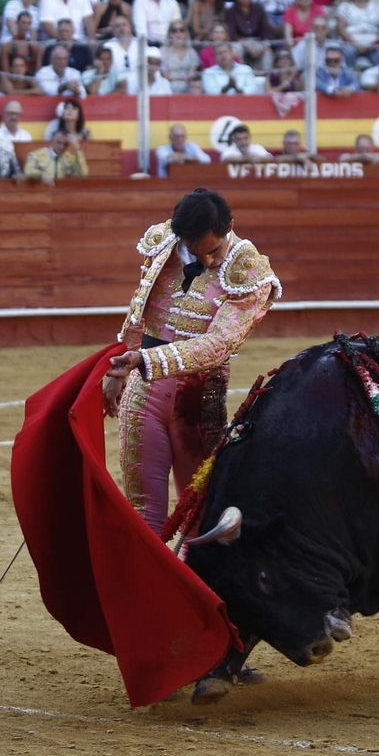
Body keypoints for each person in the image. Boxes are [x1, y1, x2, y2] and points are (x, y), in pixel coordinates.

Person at [102, 189, 280, 532]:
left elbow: (219, 344)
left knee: (200, 516)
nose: (209, 261)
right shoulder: (162, 244)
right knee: (142, 515)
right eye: (199, 252)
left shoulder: (249, 270)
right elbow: (139, 312)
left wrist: (141, 359)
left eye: (214, 250)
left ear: (229, 226)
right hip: (142, 394)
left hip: (198, 402)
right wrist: (118, 370)